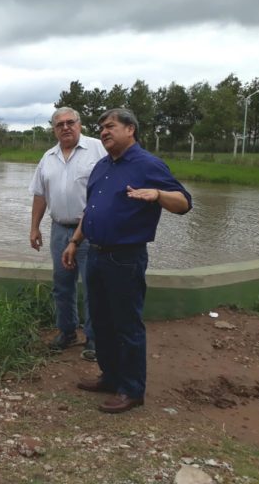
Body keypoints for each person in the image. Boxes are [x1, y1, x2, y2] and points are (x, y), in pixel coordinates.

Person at [62, 108, 192, 414]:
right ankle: (111, 377)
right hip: (94, 253)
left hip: (124, 257)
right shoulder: (102, 166)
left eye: (110, 126)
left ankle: (132, 390)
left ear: (130, 129)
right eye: (102, 128)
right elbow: (91, 210)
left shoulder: (148, 164)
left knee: (126, 324)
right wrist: (74, 241)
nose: (104, 132)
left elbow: (184, 202)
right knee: (102, 322)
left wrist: (158, 194)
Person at [29, 107, 106, 361]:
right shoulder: (48, 157)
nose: (65, 127)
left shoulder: (98, 150)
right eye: (59, 124)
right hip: (59, 230)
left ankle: (94, 339)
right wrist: (34, 227)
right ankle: (67, 332)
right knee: (62, 286)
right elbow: (40, 194)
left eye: (70, 122)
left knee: (94, 286)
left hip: (92, 232)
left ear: (79, 124)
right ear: (53, 129)